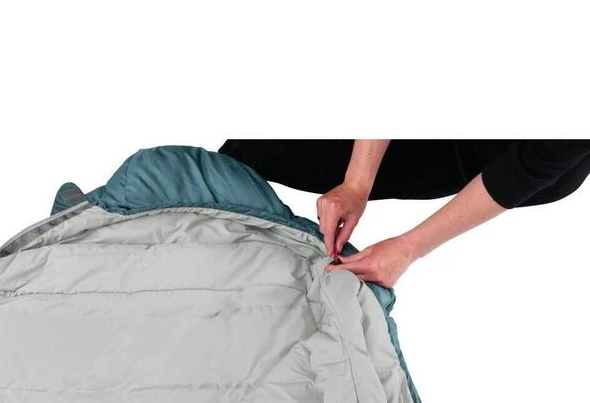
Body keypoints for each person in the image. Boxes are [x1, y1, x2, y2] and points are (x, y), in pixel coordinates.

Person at [218, 140, 590, 287]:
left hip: (508, 155)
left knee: (261, 151)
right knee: (253, 149)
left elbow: (526, 169)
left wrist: (408, 248)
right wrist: (356, 183)